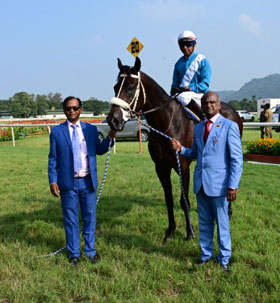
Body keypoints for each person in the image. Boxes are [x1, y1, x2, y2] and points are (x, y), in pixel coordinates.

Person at [171, 91, 243, 273]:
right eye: (205, 103)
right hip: (201, 184)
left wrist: (233, 185)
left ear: (219, 105)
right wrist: (181, 149)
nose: (208, 105)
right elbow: (196, 153)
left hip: (221, 186)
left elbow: (236, 159)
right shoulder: (198, 128)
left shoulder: (229, 126)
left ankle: (224, 259)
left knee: (222, 224)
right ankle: (205, 255)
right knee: (204, 223)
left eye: (212, 102)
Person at [48, 96, 116, 266]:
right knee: (70, 219)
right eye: (68, 108)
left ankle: (90, 251)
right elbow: (53, 159)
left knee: (89, 217)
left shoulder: (90, 130)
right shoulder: (57, 132)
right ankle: (74, 253)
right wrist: (53, 180)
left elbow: (100, 150)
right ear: (64, 110)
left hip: (88, 181)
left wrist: (110, 137)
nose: (72, 111)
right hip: (67, 183)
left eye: (75, 108)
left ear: (80, 109)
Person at [171, 30, 212, 119]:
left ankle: (202, 115)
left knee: (183, 97)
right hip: (180, 96)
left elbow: (205, 85)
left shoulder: (202, 60)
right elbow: (174, 85)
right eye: (182, 45)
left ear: (194, 44)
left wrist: (189, 88)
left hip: (198, 96)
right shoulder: (178, 64)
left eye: (188, 44)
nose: (185, 47)